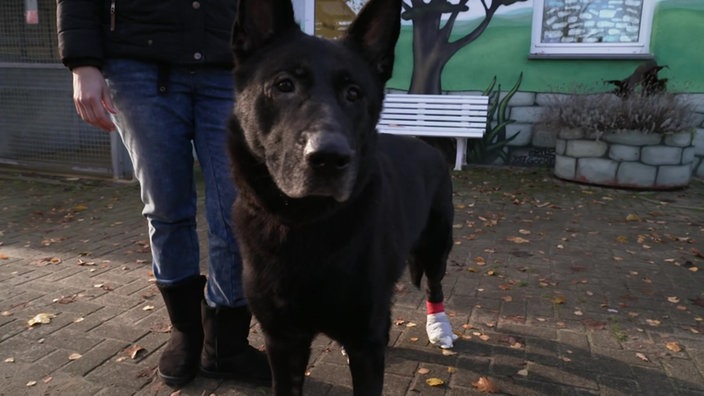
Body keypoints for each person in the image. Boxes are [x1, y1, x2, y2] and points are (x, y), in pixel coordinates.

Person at [56, 0, 270, 388]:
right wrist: (82, 61)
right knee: (166, 209)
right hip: (138, 65)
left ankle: (225, 343)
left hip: (231, 69)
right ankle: (187, 330)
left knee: (238, 212)